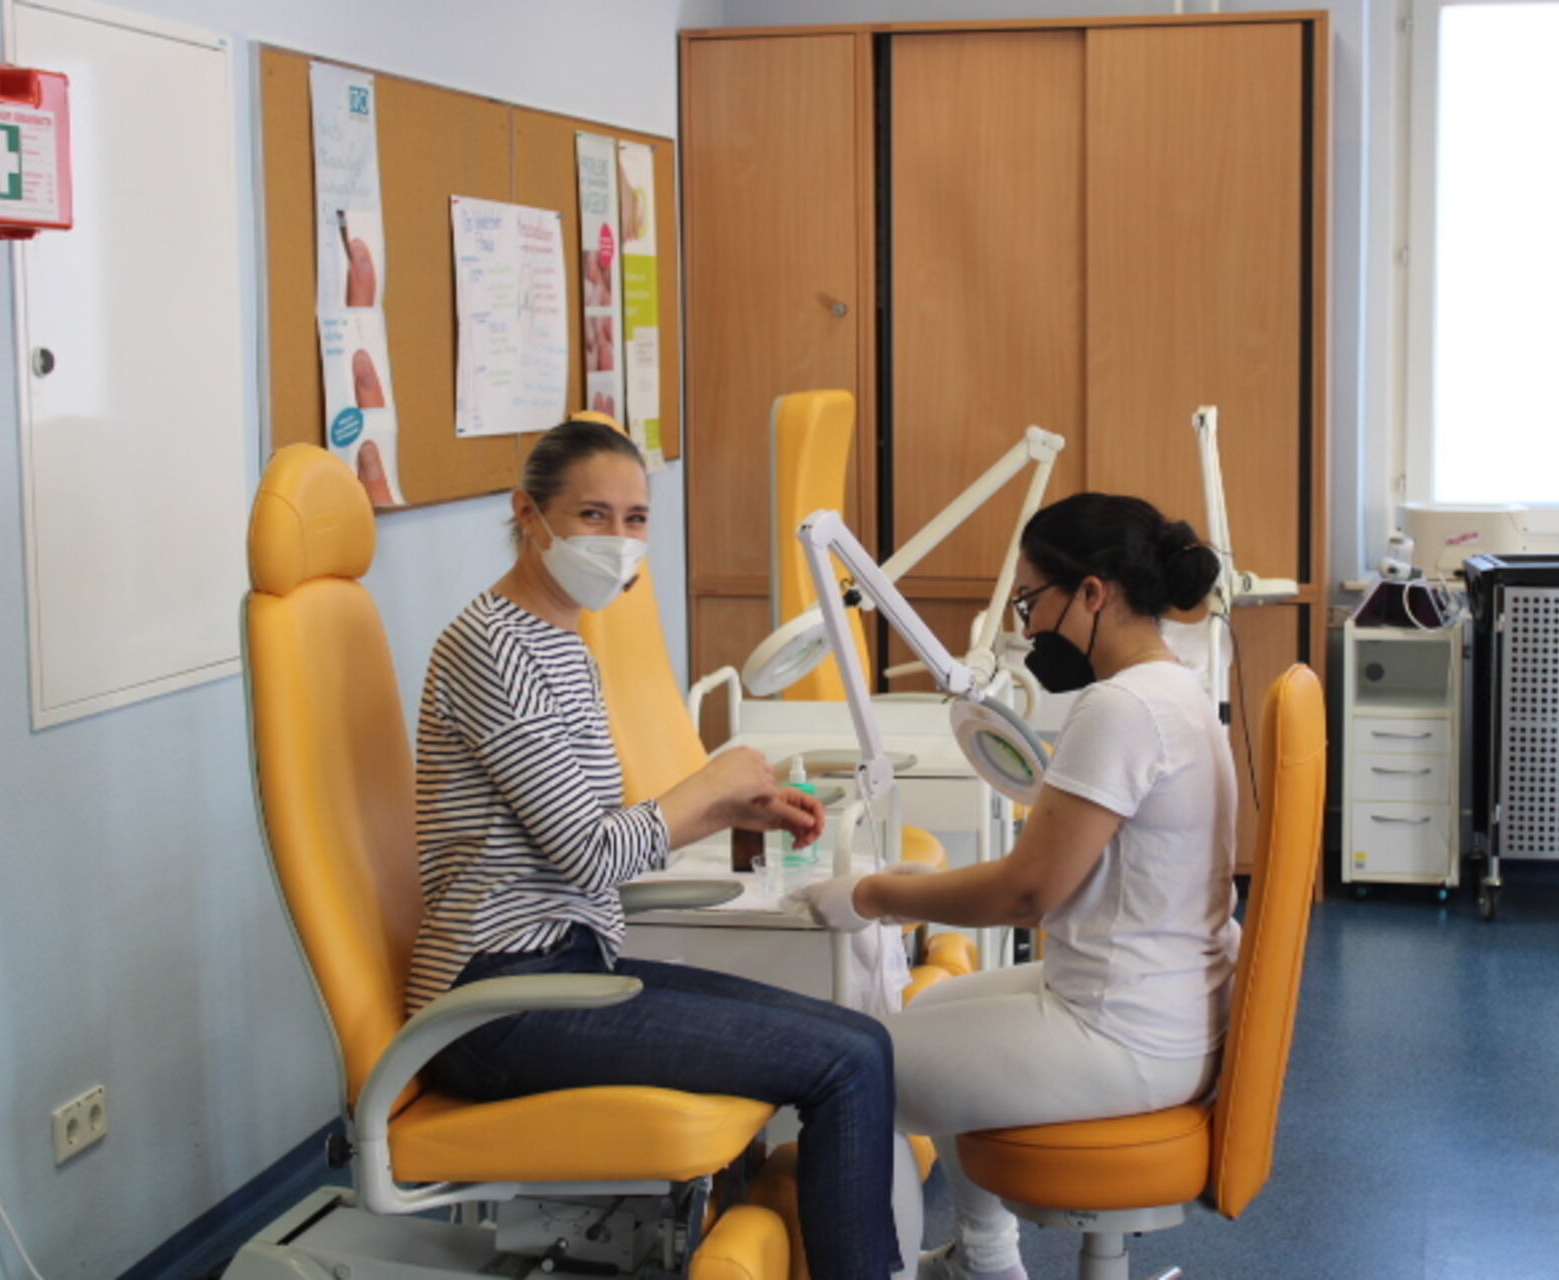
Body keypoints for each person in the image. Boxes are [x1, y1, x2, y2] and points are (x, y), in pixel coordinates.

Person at [412, 419, 903, 1279]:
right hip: (497, 1002)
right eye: (592, 515)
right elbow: (591, 857)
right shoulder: (493, 649)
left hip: (563, 969)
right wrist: (707, 783)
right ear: (528, 514)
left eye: (635, 518)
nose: (619, 538)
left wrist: (727, 811)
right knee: (847, 1062)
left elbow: (590, 837)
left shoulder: (560, 642)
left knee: (859, 1039)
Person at [792, 493, 1235, 1280]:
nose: (1027, 629)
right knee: (933, 1016)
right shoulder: (1177, 690)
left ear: (1091, 593)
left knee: (852, 1071)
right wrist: (926, 886)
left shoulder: (1122, 707)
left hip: (1124, 1032)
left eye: (1031, 603)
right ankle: (983, 1261)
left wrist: (874, 896)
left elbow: (1028, 894)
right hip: (1170, 1006)